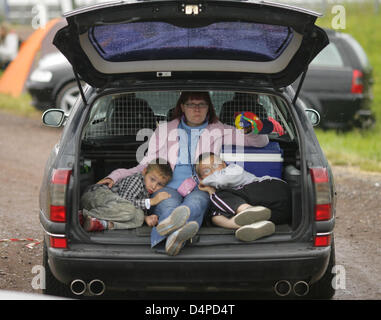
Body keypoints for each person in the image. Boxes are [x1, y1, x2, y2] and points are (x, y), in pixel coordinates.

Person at [103, 91, 270, 255]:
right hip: (168, 186)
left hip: (201, 186)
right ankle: (174, 239)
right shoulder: (164, 131)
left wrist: (250, 130)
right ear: (182, 107)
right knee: (169, 206)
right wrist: (115, 176)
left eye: (201, 104)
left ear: (208, 108)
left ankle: (167, 241)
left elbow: (260, 142)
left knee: (196, 203)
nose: (196, 109)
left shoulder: (218, 129)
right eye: (191, 104)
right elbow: (146, 164)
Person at [196, 152, 291, 242]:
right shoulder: (222, 200)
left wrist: (204, 183)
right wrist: (211, 191)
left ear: (224, 164)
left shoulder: (233, 169)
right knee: (214, 215)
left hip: (273, 189)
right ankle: (252, 226)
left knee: (220, 195)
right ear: (201, 177)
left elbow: (221, 180)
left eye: (215, 165)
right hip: (277, 213)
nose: (213, 171)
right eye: (206, 171)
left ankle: (249, 210)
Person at [81, 158, 172, 232]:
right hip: (96, 195)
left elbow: (127, 208)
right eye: (152, 179)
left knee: (139, 217)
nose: (154, 186)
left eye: (159, 184)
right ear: (144, 172)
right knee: (130, 209)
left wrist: (145, 218)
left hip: (109, 206)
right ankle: (82, 216)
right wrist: (151, 201)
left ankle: (102, 224)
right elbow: (126, 202)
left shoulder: (146, 190)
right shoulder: (137, 180)